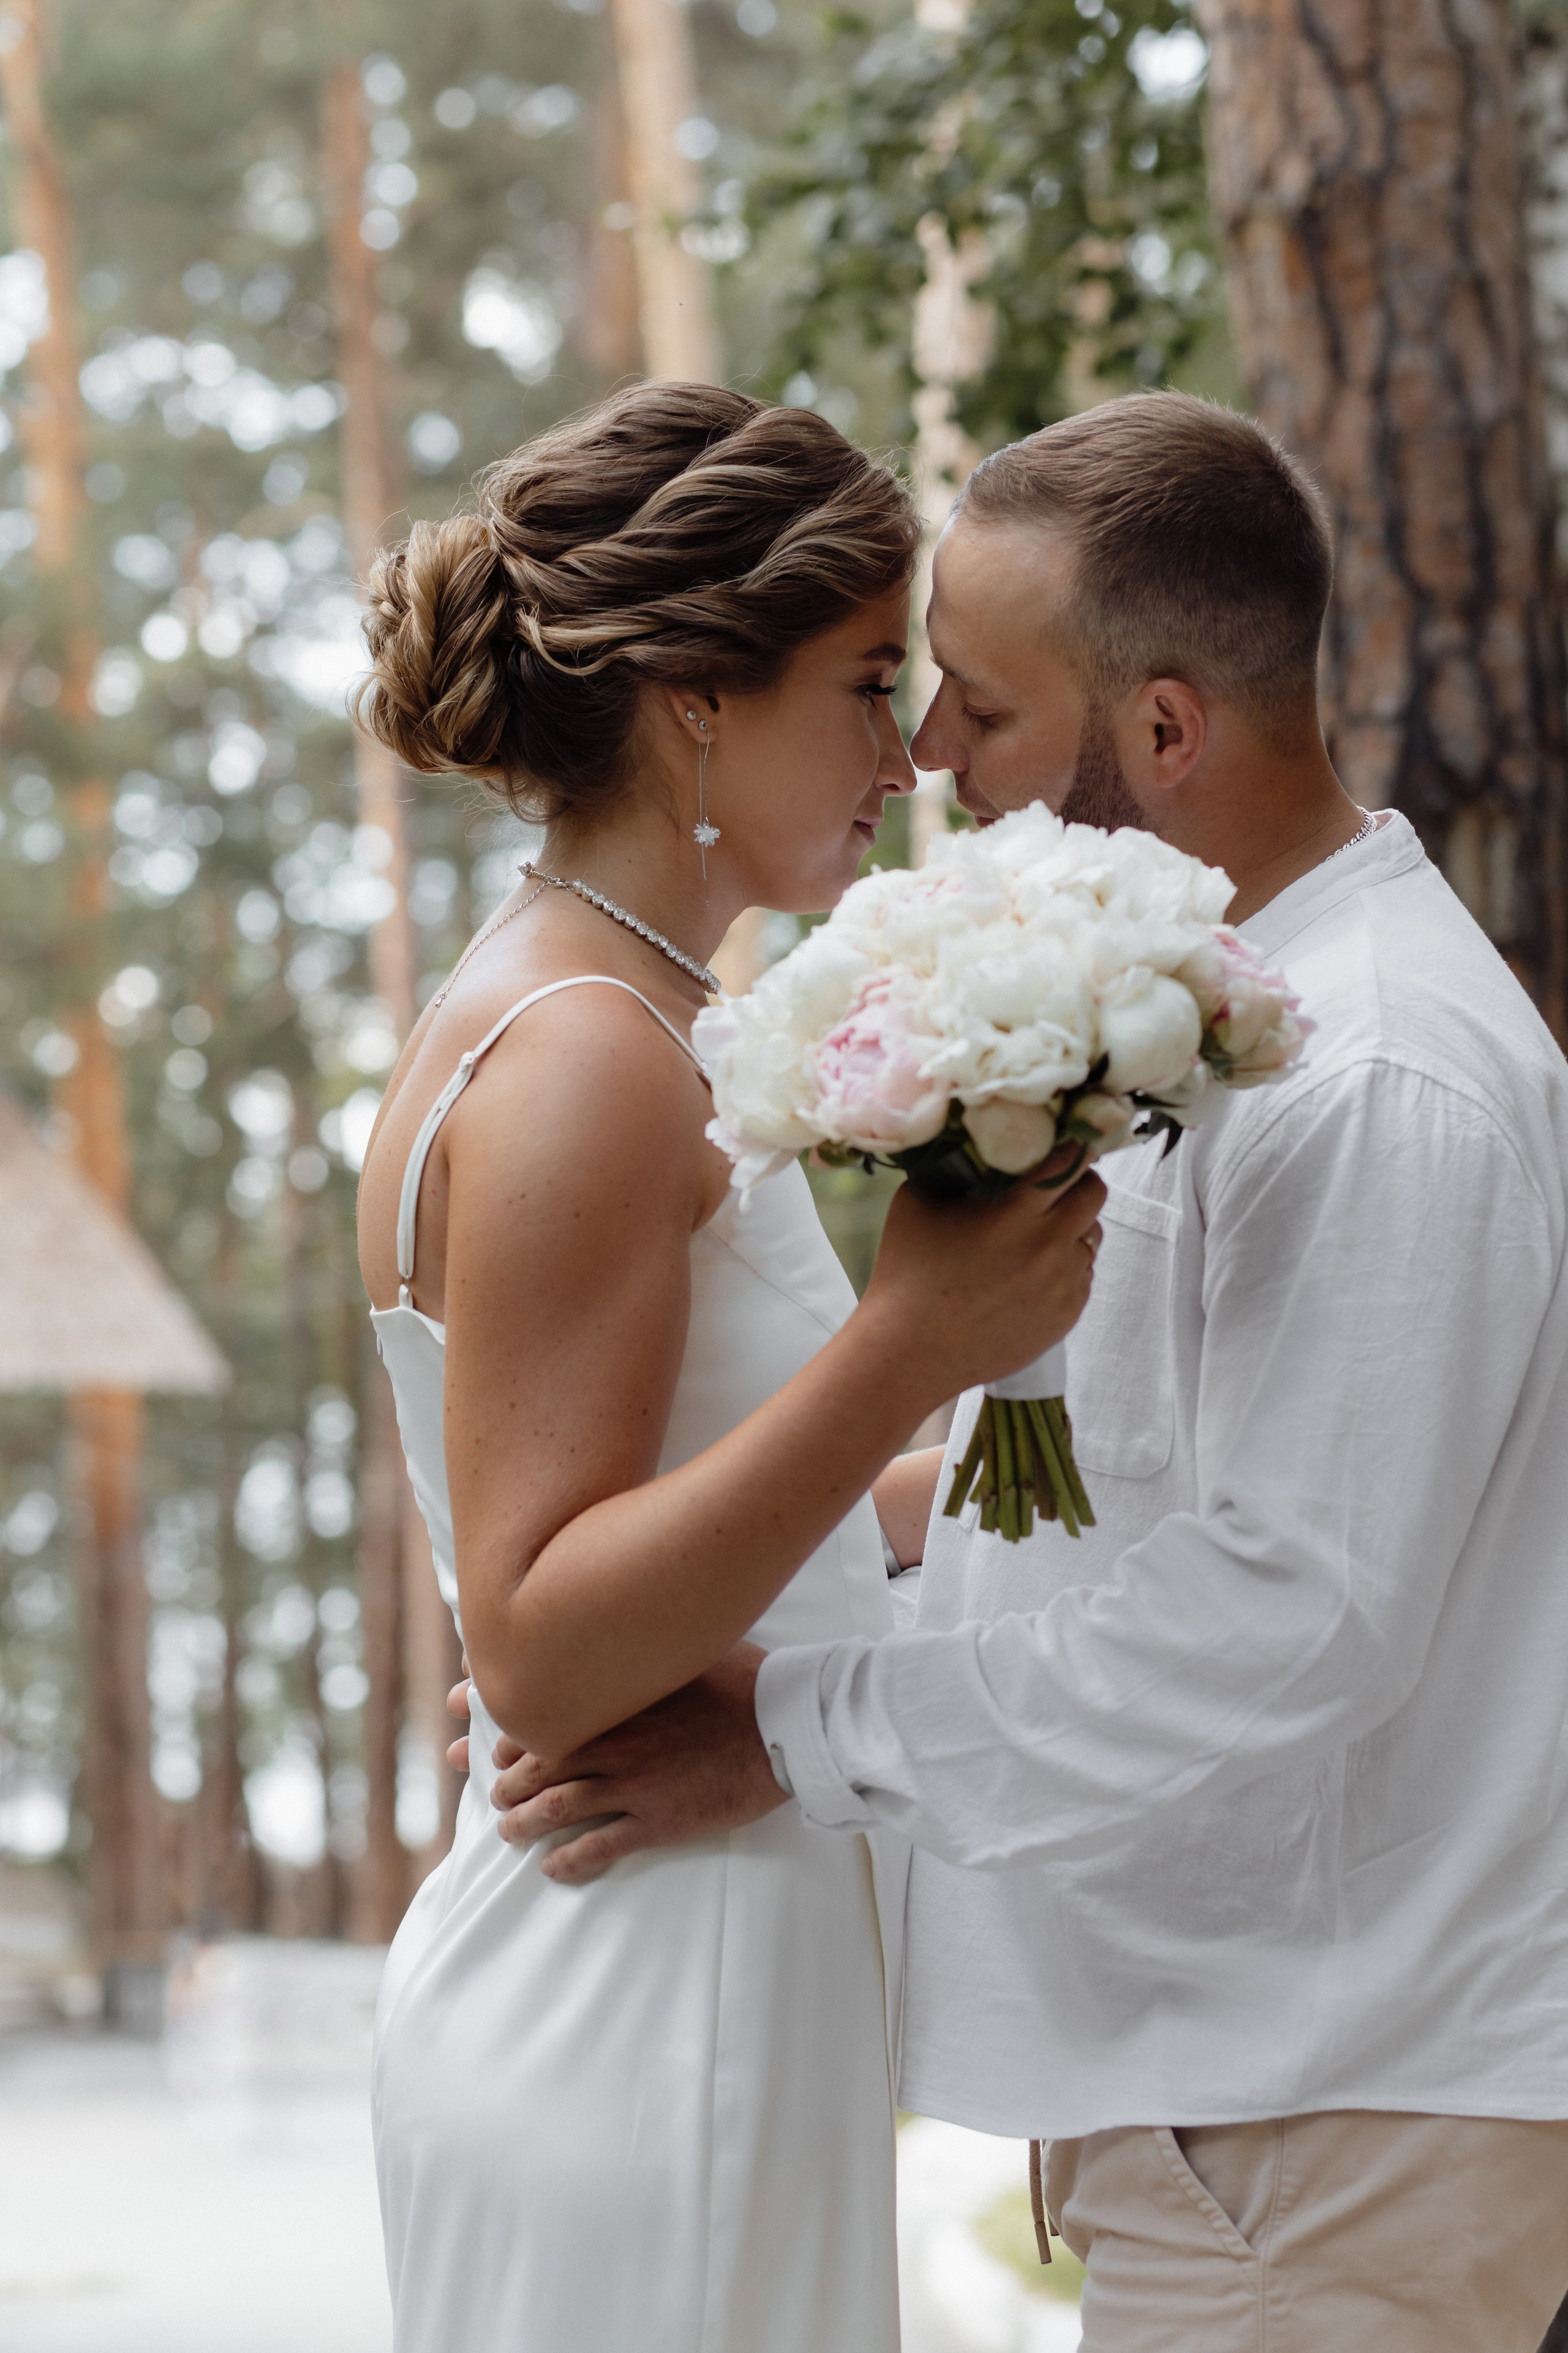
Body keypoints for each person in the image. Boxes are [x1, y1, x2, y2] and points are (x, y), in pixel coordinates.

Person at [484, 392, 1568, 2351]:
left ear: (1164, 728)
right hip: (1247, 2107)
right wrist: (778, 1529)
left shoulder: (1383, 1076)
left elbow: (1297, 1611)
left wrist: (788, 1729)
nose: (927, 762)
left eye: (978, 710)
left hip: (1337, 2114)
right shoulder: (1241, 1020)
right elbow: (1160, 1472)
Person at [352, 382, 1105, 2353]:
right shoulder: (590, 1052)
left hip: (702, 1957)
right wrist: (912, 1343)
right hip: (637, 1993)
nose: (908, 755)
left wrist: (1025, 1458)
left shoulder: (623, 1007)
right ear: (696, 694)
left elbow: (684, 1514)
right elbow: (537, 1642)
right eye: (865, 685)